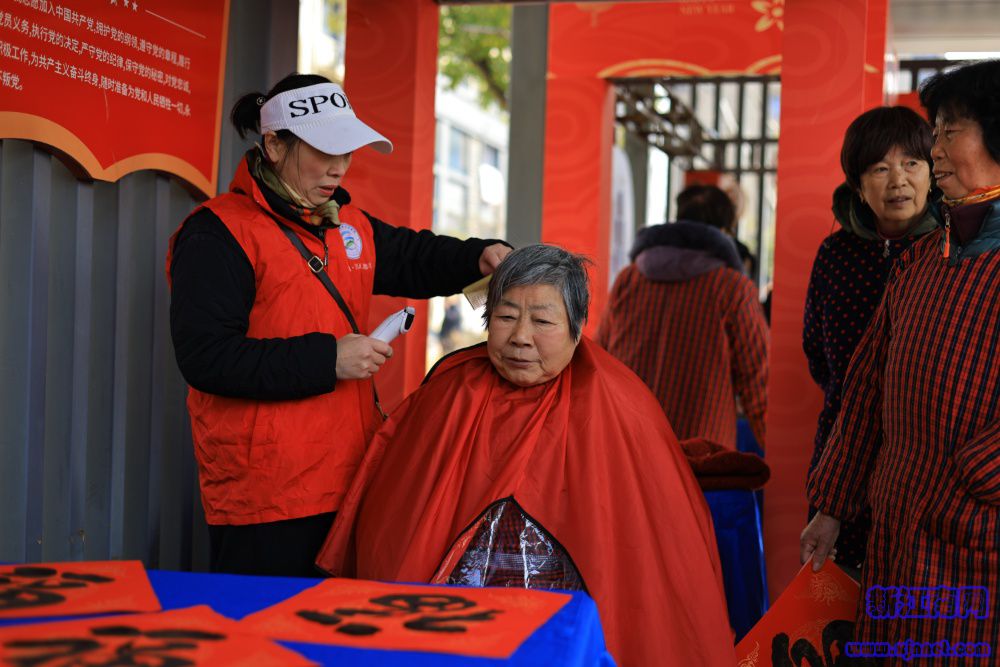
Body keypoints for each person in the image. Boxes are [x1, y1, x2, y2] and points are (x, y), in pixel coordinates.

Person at [317, 245, 735, 666]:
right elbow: (393, 531)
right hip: (452, 635)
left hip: (566, 635)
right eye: (505, 316)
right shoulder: (449, 392)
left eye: (542, 321)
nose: (520, 336)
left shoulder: (622, 404)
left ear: (577, 327)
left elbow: (651, 557)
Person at [166, 73, 510, 577]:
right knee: (266, 625)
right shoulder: (218, 232)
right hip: (267, 498)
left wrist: (478, 256)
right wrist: (328, 359)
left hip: (351, 480)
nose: (339, 167)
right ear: (274, 145)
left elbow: (414, 257)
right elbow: (207, 358)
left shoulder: (345, 223)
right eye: (325, 151)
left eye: (347, 151)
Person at [802, 59, 1000, 662]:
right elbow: (864, 389)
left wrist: (972, 479)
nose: (933, 151)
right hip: (895, 530)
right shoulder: (920, 260)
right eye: (935, 133)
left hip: (978, 538)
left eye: (950, 132)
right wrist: (832, 506)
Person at [802, 106, 939, 572]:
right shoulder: (835, 253)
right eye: (880, 168)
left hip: (921, 458)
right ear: (859, 186)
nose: (898, 180)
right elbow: (817, 354)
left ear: (932, 174)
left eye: (911, 163)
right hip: (840, 451)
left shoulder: (951, 252)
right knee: (835, 588)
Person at [597, 184, 769, 450]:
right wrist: (778, 452)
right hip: (700, 453)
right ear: (726, 232)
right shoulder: (732, 288)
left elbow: (600, 358)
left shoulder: (629, 279)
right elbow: (758, 381)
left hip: (627, 442)